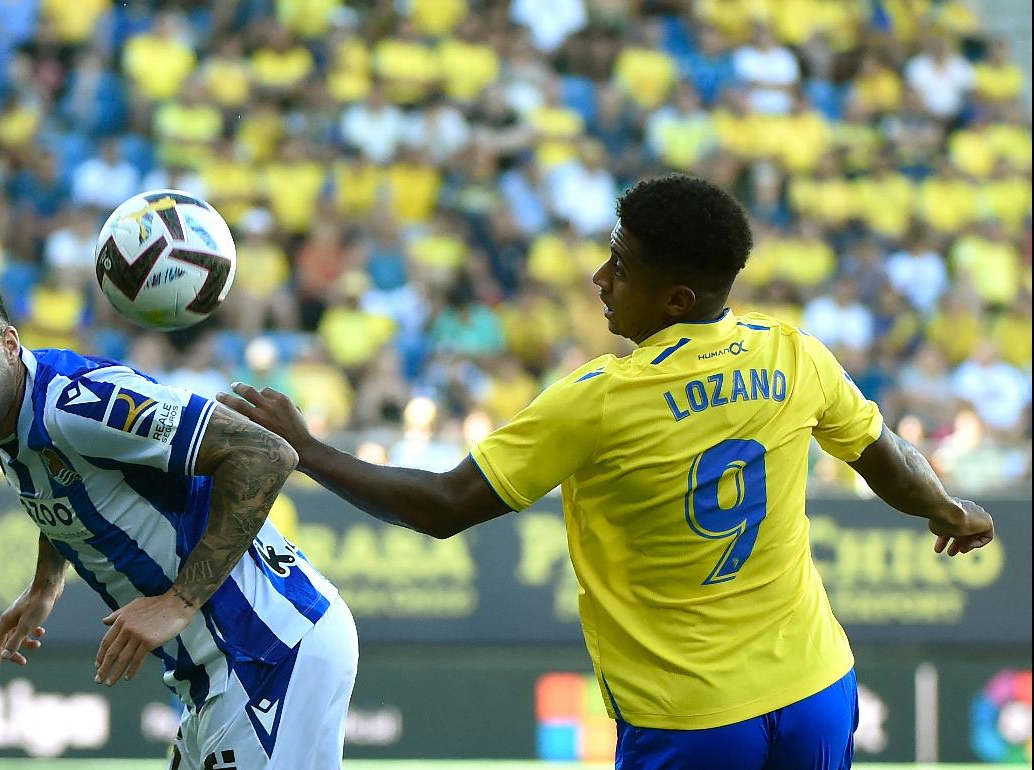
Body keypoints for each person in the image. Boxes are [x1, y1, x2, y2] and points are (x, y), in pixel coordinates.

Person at [218, 175, 996, 769]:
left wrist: (308, 450)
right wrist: (946, 508)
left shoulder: (599, 400)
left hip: (690, 718)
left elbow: (446, 505)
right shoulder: (794, 354)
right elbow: (885, 455)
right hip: (819, 693)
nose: (598, 278)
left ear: (676, 297)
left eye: (620, 267)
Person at [0, 271, 357, 770]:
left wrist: (179, 601)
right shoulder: (7, 414)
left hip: (267, 649)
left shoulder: (81, 405)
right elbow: (63, 482)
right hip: (223, 669)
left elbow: (264, 452)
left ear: (8, 344)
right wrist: (46, 582)